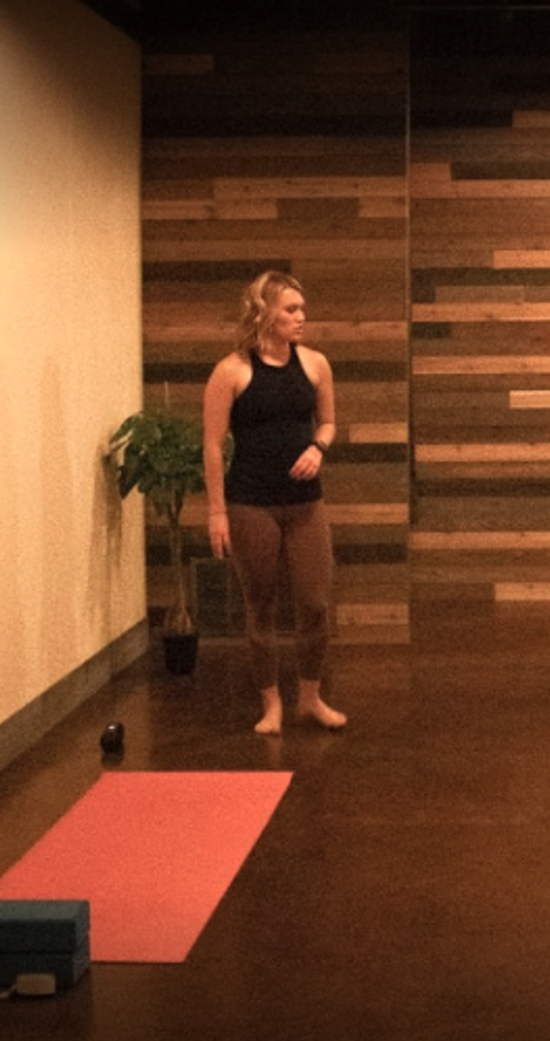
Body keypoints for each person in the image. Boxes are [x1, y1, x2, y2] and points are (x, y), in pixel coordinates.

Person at [202, 270, 348, 736]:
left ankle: (309, 697)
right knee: (260, 606)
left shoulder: (315, 365)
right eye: (291, 309)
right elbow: (211, 445)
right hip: (250, 504)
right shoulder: (231, 370)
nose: (301, 318)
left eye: (302, 309)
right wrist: (217, 512)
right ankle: (271, 706)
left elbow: (327, 424)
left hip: (305, 503)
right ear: (265, 313)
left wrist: (317, 449)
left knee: (315, 604)